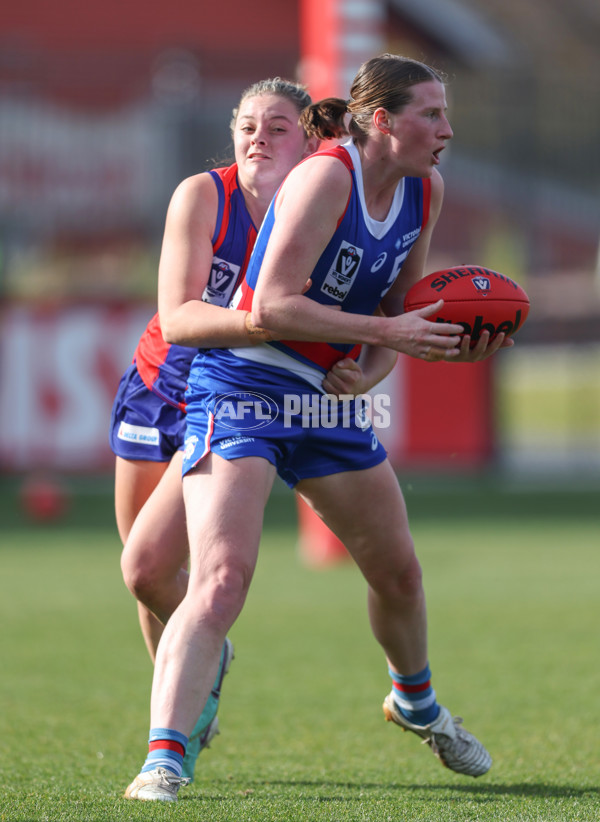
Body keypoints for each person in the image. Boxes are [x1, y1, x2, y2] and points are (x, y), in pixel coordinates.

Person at [125, 54, 510, 802]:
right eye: (431, 114)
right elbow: (269, 307)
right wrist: (388, 334)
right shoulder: (326, 176)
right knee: (221, 576)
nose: (447, 129)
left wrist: (370, 370)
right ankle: (164, 759)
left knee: (398, 573)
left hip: (324, 403)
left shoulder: (424, 188)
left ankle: (415, 702)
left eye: (445, 112)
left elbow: (402, 307)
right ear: (382, 122)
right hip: (244, 386)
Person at [111, 77, 397, 784]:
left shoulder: (328, 196)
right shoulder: (203, 194)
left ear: (310, 138)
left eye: (276, 127)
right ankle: (202, 673)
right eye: (246, 125)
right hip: (161, 386)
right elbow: (180, 320)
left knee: (160, 565)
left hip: (243, 399)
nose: (257, 138)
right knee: (148, 576)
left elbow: (379, 300)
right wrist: (269, 319)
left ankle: (175, 728)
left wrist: (367, 368)